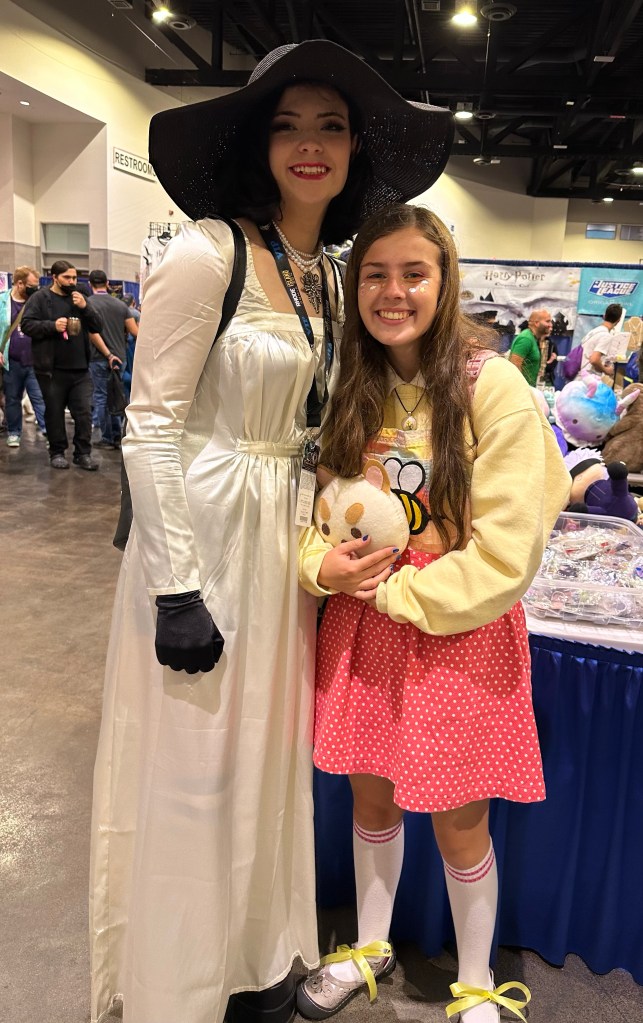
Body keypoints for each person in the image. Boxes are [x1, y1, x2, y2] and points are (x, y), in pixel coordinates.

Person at [89, 40, 454, 1023]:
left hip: (285, 547)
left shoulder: (330, 276)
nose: (309, 144)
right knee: (195, 767)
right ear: (259, 143)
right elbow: (150, 425)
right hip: (204, 535)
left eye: (330, 126)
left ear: (353, 149)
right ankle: (179, 984)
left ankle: (251, 962)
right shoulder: (207, 252)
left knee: (263, 761)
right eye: (288, 125)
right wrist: (174, 584)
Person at [296, 204, 571, 1023]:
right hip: (362, 623)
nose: (393, 291)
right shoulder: (348, 385)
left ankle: (476, 980)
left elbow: (509, 547)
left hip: (457, 630)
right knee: (370, 799)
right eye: (375, 274)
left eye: (413, 273)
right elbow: (308, 513)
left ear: (445, 282)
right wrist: (318, 567)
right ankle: (370, 945)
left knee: (459, 818)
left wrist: (398, 593)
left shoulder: (493, 384)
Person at [21, 260, 107, 470]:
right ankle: (57, 452)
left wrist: (85, 307)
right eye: (67, 277)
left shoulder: (80, 298)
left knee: (84, 413)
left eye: (74, 278)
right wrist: (52, 326)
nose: (71, 281)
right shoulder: (41, 298)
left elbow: (97, 326)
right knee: (54, 413)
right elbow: (27, 325)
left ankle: (83, 453)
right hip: (52, 370)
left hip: (80, 369)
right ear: (54, 277)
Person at [87, 269, 136, 448]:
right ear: (107, 283)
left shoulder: (88, 304)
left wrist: (107, 353)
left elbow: (91, 333)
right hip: (120, 357)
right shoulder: (121, 306)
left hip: (98, 357)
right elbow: (135, 332)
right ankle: (118, 436)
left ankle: (108, 438)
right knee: (117, 395)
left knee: (101, 397)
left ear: (90, 284)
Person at [0, 266, 47, 446]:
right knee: (12, 398)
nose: (35, 289)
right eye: (32, 285)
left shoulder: (37, 301)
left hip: (35, 359)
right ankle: (14, 432)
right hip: (11, 360)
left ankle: (47, 430)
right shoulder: (2, 301)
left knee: (39, 397)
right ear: (20, 284)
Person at [508, 308, 552, 386]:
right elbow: (514, 367)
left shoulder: (533, 338)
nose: (550, 325)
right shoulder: (526, 339)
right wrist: (522, 388)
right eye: (547, 321)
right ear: (536, 323)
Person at [580, 303, 623, 377]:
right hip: (588, 378)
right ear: (618, 320)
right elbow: (594, 359)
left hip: (580, 374)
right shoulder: (606, 336)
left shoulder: (593, 332)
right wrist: (606, 370)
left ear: (604, 316)